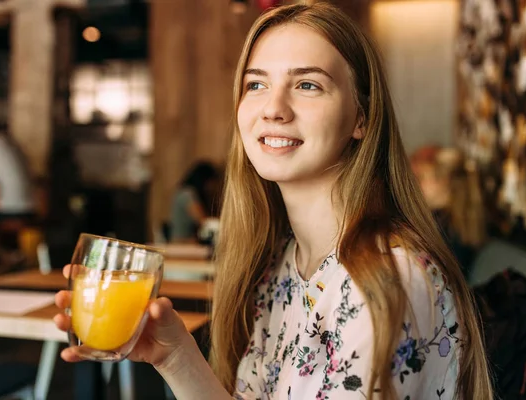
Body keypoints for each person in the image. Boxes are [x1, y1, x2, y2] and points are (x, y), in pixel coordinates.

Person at [54, 4, 492, 399]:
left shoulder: (388, 283)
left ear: (361, 116)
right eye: (256, 84)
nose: (274, 108)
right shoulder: (283, 262)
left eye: (307, 84)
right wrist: (174, 357)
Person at [410, 145, 487, 276]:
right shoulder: (465, 225)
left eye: (423, 177)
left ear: (444, 182)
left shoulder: (438, 227)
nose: (419, 185)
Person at [169, 161, 220, 243]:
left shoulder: (185, 192)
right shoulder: (187, 194)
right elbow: (203, 220)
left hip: (187, 243)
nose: (212, 187)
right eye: (211, 183)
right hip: (182, 243)